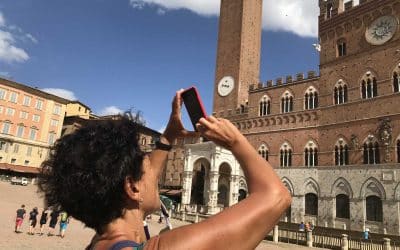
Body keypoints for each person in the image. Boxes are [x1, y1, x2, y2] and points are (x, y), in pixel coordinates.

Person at [38, 91, 292, 249]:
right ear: (132, 187)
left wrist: (169, 136)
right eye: (146, 163)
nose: (155, 169)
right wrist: (235, 141)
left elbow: (144, 177)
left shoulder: (100, 242)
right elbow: (276, 196)